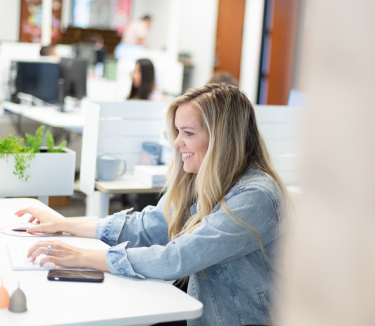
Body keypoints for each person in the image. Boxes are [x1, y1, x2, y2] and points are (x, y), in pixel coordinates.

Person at [16, 84, 289, 326]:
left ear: (223, 139)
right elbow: (148, 227)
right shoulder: (204, 180)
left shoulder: (255, 196)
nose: (177, 142)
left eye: (188, 133)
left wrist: (81, 258)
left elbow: (177, 257)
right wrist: (64, 224)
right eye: (177, 132)